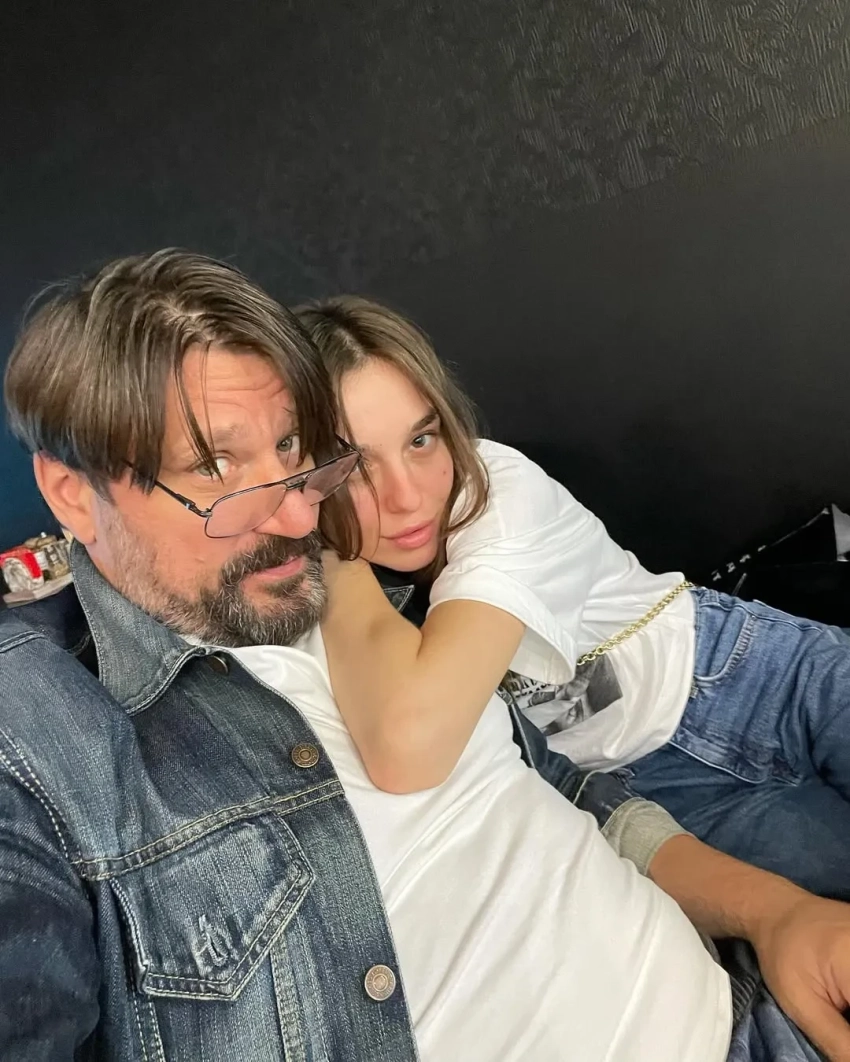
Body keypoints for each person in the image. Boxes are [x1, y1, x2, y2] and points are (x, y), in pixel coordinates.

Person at [0, 250, 847, 1062]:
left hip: (743, 925)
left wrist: (775, 914)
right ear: (72, 492)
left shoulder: (395, 569)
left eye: (291, 449)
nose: (298, 514)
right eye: (218, 466)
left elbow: (565, 790)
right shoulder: (40, 737)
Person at [295, 294, 850, 908]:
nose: (407, 496)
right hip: (657, 792)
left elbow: (412, 744)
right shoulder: (306, 596)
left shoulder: (498, 489)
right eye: (352, 466)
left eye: (422, 440)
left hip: (743, 674)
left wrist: (332, 553)